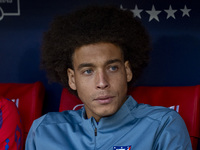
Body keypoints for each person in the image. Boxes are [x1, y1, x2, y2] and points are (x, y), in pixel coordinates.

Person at [25, 5, 192, 150]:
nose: (102, 83)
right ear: (72, 79)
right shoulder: (43, 131)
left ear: (127, 71)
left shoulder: (163, 126)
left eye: (112, 68)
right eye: (88, 71)